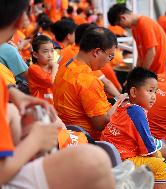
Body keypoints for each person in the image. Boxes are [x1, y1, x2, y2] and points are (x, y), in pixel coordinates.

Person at [0, 1, 116, 188]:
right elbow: (101, 122)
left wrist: (13, 94)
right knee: (96, 160)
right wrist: (35, 140)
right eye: (109, 56)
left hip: (65, 123)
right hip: (79, 132)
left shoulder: (68, 63)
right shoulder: (83, 76)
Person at [101, 67, 166, 189]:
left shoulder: (122, 101)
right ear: (134, 92)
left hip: (109, 152)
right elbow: (148, 144)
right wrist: (159, 159)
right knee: (165, 166)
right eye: (150, 91)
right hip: (123, 158)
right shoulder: (137, 111)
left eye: (155, 91)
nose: (154, 96)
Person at [53, 27, 126, 140]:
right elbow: (101, 124)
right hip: (87, 139)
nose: (108, 61)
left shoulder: (66, 65)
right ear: (96, 52)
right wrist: (120, 100)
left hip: (65, 131)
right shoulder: (88, 80)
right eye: (110, 56)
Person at [108, 3, 166, 74]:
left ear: (123, 18)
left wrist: (140, 74)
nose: (122, 27)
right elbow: (140, 55)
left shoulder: (145, 24)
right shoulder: (135, 28)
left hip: (159, 71)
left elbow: (151, 52)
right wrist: (136, 72)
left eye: (120, 24)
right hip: (152, 71)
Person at [28, 35, 58, 104]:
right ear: (35, 54)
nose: (50, 55)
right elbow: (51, 82)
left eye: (52, 51)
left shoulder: (52, 68)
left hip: (55, 105)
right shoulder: (33, 68)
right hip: (40, 107)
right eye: (45, 51)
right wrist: (55, 67)